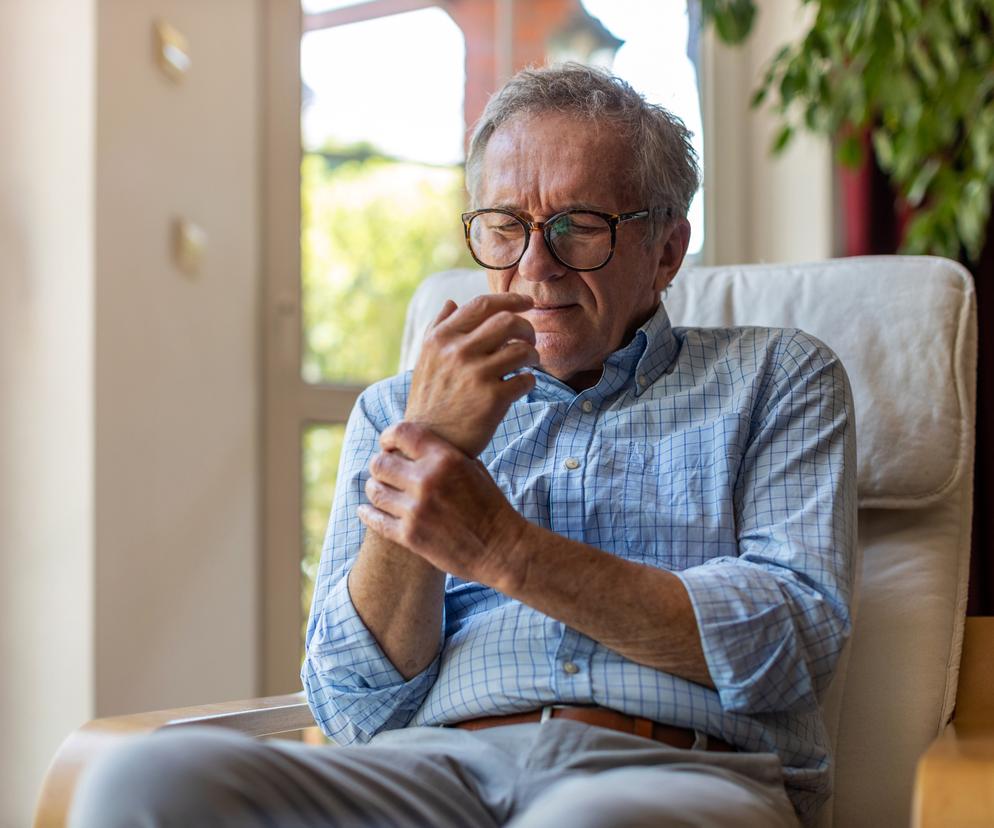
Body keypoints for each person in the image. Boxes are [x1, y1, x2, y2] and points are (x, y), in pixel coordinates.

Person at [70, 63, 856, 828]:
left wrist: (500, 548)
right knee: (141, 779)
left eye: (577, 227)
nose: (533, 267)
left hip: (675, 771)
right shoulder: (395, 411)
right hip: (433, 776)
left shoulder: (777, 377)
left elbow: (791, 641)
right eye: (506, 228)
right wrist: (429, 440)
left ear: (665, 251)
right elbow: (351, 705)